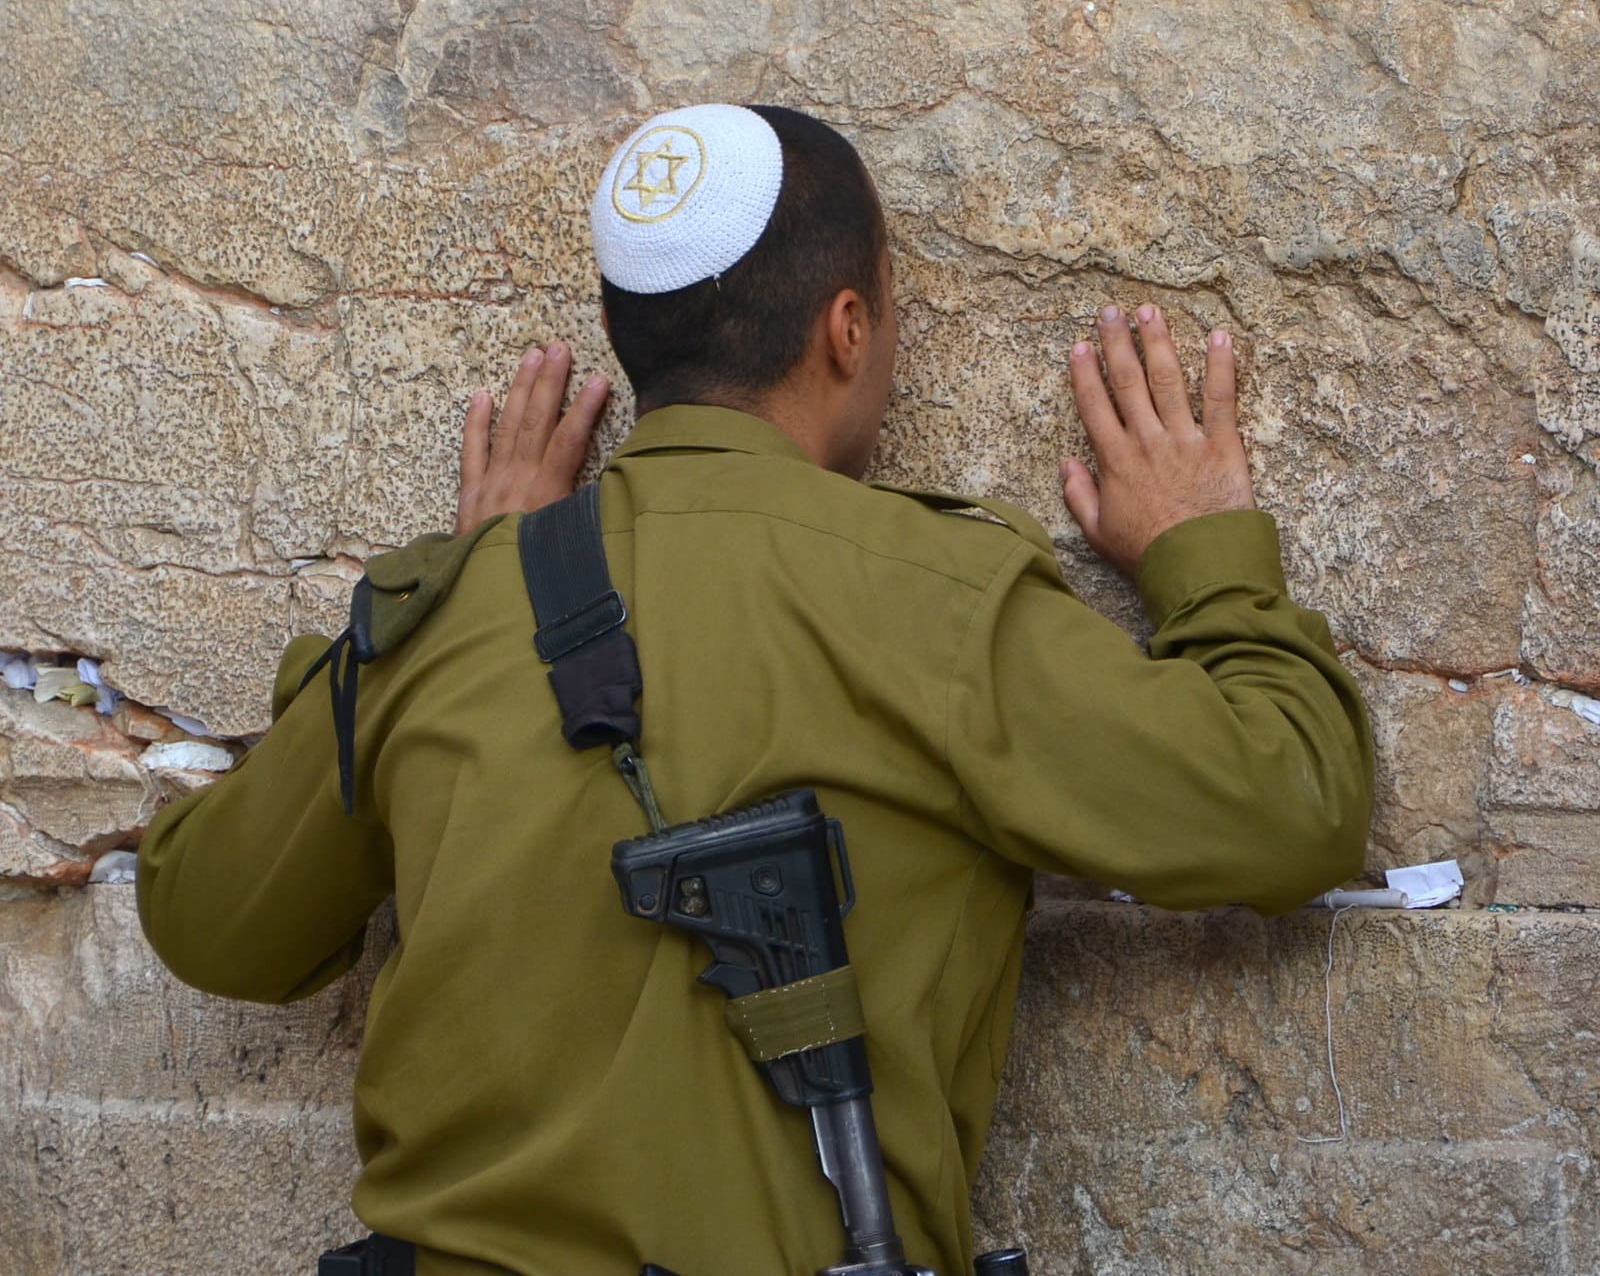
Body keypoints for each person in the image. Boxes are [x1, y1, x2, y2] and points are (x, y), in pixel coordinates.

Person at [137, 103, 1373, 1276]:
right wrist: (1200, 547)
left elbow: (212, 920)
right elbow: (1291, 803)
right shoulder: (934, 595)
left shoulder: (452, 605)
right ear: (848, 326)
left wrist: (447, 597)